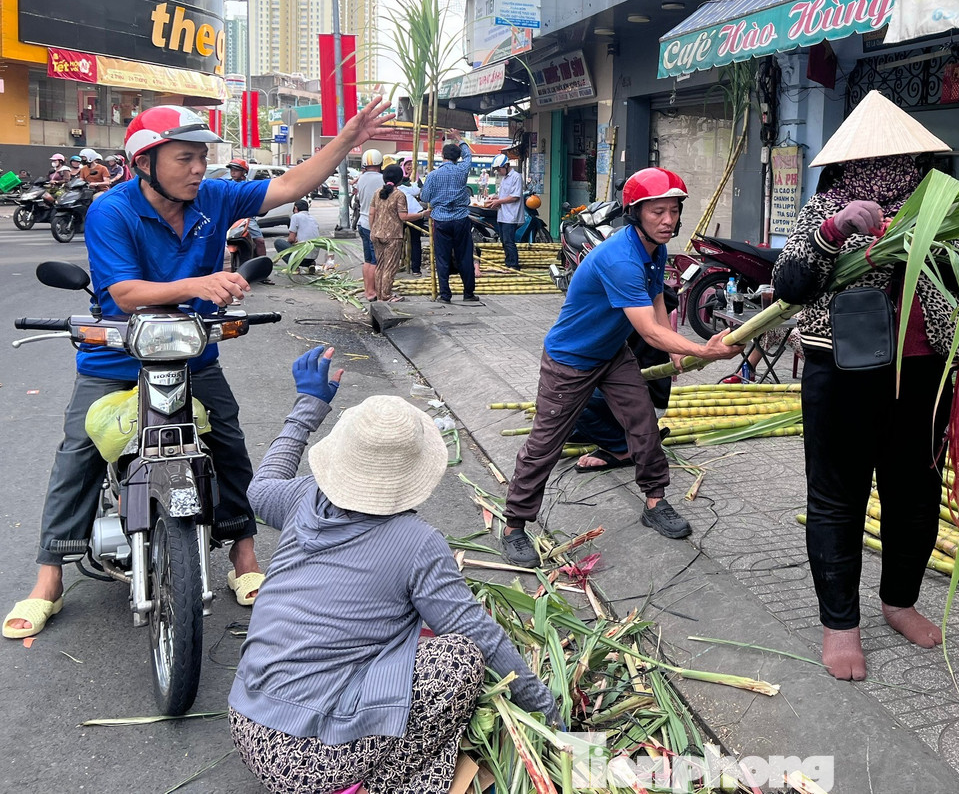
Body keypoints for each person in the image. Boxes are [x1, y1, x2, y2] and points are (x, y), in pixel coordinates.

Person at [3, 97, 393, 639]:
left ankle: (245, 556)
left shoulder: (214, 196)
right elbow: (125, 292)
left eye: (201, 158)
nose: (197, 169)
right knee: (79, 450)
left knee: (228, 444)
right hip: (116, 352)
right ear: (145, 163)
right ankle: (48, 576)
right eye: (184, 158)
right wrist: (198, 285)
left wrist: (348, 138)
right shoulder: (111, 210)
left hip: (190, 350)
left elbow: (290, 185)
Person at [228, 347, 556, 794]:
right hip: (307, 758)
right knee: (459, 660)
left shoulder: (305, 497)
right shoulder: (417, 543)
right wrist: (546, 710)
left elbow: (261, 486)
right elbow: (480, 635)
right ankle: (391, 785)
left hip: (247, 722)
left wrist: (307, 407)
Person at [770, 90, 959, 682]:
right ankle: (840, 625)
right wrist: (834, 231)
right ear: (848, 163)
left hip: (927, 370)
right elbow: (790, 284)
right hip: (842, 373)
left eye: (902, 161)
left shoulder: (946, 209)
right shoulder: (822, 206)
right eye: (875, 164)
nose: (888, 174)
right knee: (838, 498)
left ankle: (899, 601)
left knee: (916, 493)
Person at [497, 167, 742, 568]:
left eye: (673, 211)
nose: (667, 221)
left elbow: (656, 299)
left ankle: (655, 501)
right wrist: (704, 350)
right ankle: (514, 525)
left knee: (643, 423)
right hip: (570, 360)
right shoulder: (620, 258)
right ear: (636, 214)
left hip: (612, 353)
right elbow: (647, 331)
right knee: (545, 443)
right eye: (657, 212)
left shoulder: (654, 249)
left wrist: (677, 353)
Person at [572, 289, 678, 472]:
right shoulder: (628, 296)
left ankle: (624, 448)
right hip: (633, 397)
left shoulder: (631, 307)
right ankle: (636, 435)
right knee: (566, 423)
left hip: (642, 401)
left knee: (570, 399)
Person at [420, 143, 476, 305]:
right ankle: (468, 292)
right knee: (465, 256)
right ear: (457, 158)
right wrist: (461, 140)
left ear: (442, 155)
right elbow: (469, 156)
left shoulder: (433, 175)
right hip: (461, 218)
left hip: (441, 220)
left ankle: (445, 294)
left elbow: (425, 197)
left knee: (442, 258)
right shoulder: (462, 170)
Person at [370, 164, 427, 303]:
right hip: (393, 236)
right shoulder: (399, 195)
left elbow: (372, 213)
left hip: (376, 234)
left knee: (380, 266)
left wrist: (373, 230)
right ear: (400, 179)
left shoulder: (377, 192)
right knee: (390, 266)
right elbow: (403, 217)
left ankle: (380, 294)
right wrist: (422, 215)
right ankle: (386, 296)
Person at [227, 158, 274, 285]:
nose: (233, 172)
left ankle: (262, 272)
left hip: (248, 217)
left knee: (260, 241)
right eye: (231, 169)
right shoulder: (226, 185)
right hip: (230, 217)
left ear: (244, 172)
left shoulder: (250, 186)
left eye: (236, 170)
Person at [351, 150, 386, 301]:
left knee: (368, 260)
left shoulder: (360, 179)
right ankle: (372, 292)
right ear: (380, 163)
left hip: (362, 223)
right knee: (376, 261)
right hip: (375, 224)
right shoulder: (383, 179)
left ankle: (368, 290)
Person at [485, 154, 525, 269]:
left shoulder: (516, 177)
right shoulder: (504, 179)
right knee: (504, 240)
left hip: (511, 215)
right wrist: (495, 198)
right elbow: (504, 195)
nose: (498, 172)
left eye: (499, 169)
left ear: (506, 166)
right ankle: (508, 262)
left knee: (508, 241)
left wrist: (499, 202)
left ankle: (513, 265)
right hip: (502, 214)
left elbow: (515, 197)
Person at [274, 199, 322, 272]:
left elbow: (291, 239)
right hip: (313, 257)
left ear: (296, 208)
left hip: (302, 256)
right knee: (302, 247)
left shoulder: (295, 216)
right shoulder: (313, 219)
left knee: (278, 242)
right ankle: (310, 264)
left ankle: (294, 266)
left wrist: (291, 243)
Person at [401, 176, 425, 275]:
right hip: (408, 215)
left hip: (414, 214)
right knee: (413, 242)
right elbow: (416, 190)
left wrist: (415, 181)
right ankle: (414, 269)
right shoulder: (401, 188)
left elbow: (416, 190)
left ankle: (415, 268)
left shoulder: (401, 188)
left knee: (414, 241)